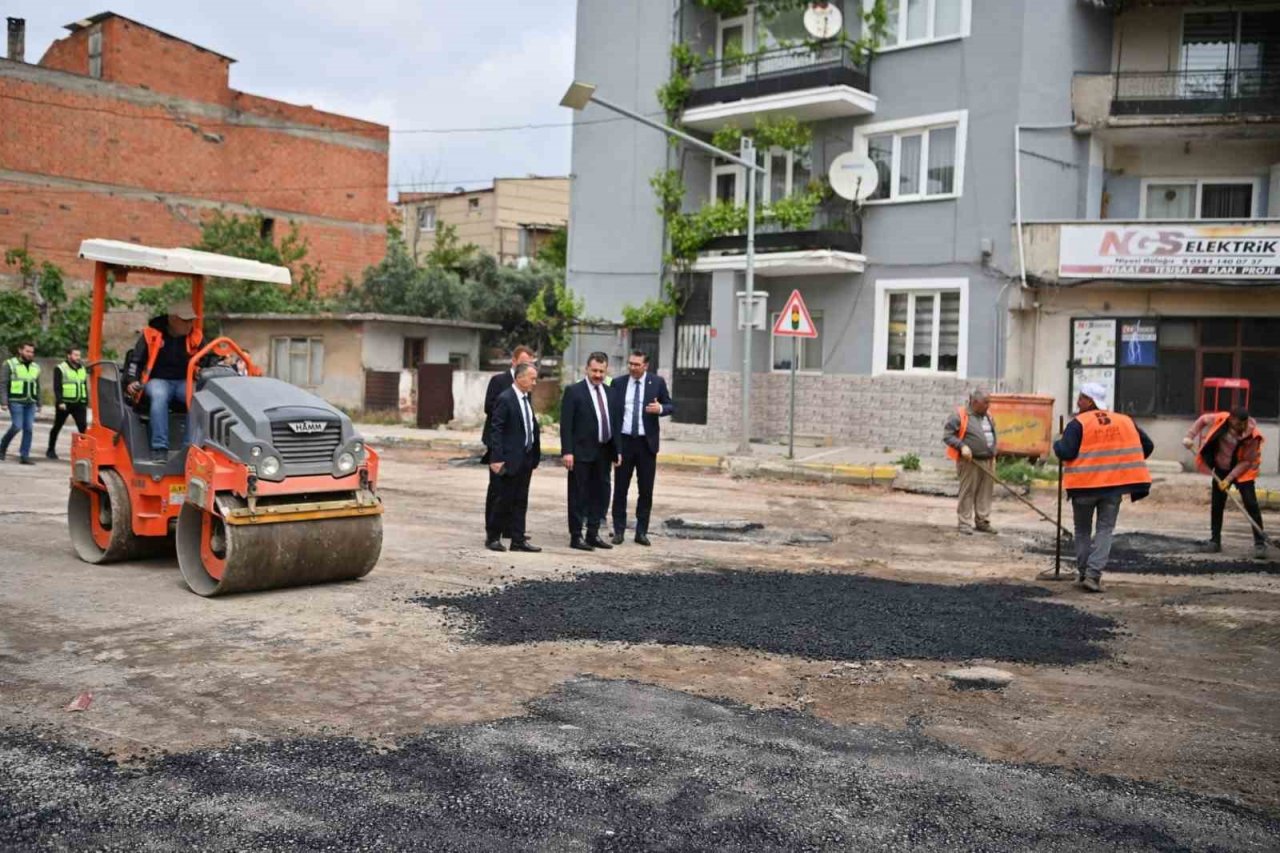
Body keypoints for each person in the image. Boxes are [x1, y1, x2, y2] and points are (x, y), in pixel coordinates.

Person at [1053, 382, 1153, 593]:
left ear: (1089, 401)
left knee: (1082, 530)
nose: (1078, 402)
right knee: (1105, 530)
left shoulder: (1078, 423)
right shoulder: (1124, 421)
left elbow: (1067, 452)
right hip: (1112, 488)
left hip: (1084, 487)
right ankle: (1093, 575)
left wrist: (1057, 444)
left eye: (1080, 398)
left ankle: (1083, 573)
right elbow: (1148, 445)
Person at [1183, 405, 1268, 561]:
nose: (1241, 427)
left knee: (1251, 504)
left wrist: (1229, 479)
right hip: (1222, 467)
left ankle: (1260, 543)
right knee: (1217, 504)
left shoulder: (1252, 436)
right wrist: (1190, 436)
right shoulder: (1221, 419)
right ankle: (1215, 541)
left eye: (1244, 424)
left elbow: (1246, 462)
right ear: (1231, 419)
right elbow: (1202, 420)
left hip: (1243, 471)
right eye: (1238, 424)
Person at [124, 300, 204, 461]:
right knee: (159, 395)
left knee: (197, 398)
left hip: (183, 382)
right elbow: (135, 361)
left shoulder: (196, 336)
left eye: (191, 321)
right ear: (173, 319)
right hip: (157, 381)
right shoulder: (150, 335)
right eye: (185, 320)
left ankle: (190, 448)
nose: (190, 325)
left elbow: (209, 358)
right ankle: (159, 448)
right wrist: (131, 380)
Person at [608, 349, 674, 546]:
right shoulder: (618, 383)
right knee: (620, 489)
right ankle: (619, 530)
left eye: (637, 365)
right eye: (630, 364)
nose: (632, 368)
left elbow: (671, 405)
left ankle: (641, 531)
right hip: (625, 443)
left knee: (646, 490)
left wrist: (660, 409)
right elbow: (612, 413)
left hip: (646, 445)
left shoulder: (657, 382)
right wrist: (614, 446)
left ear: (645, 366)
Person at [560, 351, 616, 551]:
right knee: (578, 495)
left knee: (600, 494)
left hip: (604, 452)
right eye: (594, 370)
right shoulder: (574, 391)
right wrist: (567, 451)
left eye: (602, 371)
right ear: (587, 369)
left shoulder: (610, 392)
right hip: (580, 453)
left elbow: (614, 423)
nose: (598, 375)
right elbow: (566, 425)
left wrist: (617, 451)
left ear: (606, 370)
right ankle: (576, 536)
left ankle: (593, 534)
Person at [482, 346, 536, 545]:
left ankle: (515, 534)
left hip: (520, 450)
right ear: (514, 362)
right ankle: (493, 533)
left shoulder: (526, 389)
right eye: (524, 362)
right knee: (499, 493)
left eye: (530, 362)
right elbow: (493, 416)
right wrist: (497, 455)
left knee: (519, 495)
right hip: (502, 447)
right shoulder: (501, 386)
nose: (534, 381)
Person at [943, 389, 999, 534]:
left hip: (987, 460)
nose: (989, 405)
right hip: (969, 461)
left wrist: (993, 453)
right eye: (986, 402)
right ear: (974, 402)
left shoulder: (988, 416)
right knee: (967, 491)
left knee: (985, 492)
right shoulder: (959, 415)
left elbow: (992, 435)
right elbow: (948, 436)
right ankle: (964, 523)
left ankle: (982, 521)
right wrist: (962, 446)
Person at [0, 342, 41, 465]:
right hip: (15, 401)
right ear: (20, 351)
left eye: (32, 352)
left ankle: (24, 456)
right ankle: (2, 447)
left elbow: (37, 386)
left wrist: (40, 403)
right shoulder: (10, 364)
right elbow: (3, 384)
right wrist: (3, 402)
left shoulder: (36, 367)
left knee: (28, 429)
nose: (30, 354)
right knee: (17, 426)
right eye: (27, 351)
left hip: (31, 402)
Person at [46, 346, 89, 460]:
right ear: (68, 355)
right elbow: (57, 386)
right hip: (65, 403)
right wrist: (60, 401)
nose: (78, 358)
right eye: (75, 355)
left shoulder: (82, 368)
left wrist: (86, 400)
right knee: (57, 426)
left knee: (83, 427)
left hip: (79, 403)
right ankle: (50, 449)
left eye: (79, 355)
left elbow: (84, 385)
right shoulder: (60, 368)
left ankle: (85, 452)